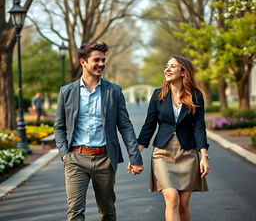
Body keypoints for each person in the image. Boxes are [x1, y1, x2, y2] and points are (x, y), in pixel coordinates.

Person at [54, 42, 144, 221]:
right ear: (83, 62)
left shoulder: (114, 91)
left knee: (107, 211)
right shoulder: (66, 92)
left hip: (105, 159)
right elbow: (59, 126)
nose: (101, 64)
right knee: (75, 212)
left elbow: (125, 126)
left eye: (103, 60)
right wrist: (65, 154)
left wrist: (135, 157)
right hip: (75, 159)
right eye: (96, 60)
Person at [136, 55, 210, 221]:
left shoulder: (196, 96)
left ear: (183, 72)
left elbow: (199, 127)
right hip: (162, 154)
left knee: (183, 206)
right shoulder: (158, 95)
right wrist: (137, 152)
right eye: (166, 66)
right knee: (172, 199)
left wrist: (204, 156)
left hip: (187, 154)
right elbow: (149, 125)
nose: (167, 69)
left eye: (172, 66)